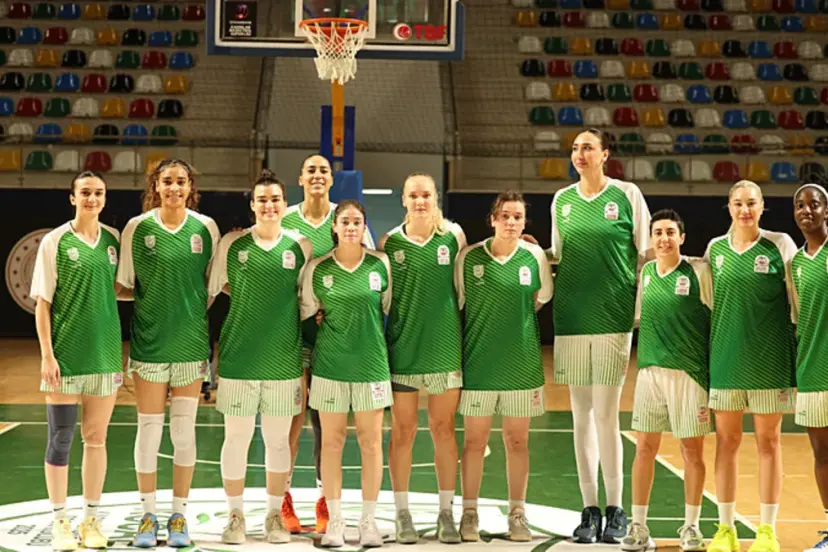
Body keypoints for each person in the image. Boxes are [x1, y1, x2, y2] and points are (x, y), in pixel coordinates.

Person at [549, 128, 652, 544]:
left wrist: (639, 309)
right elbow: (558, 255)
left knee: (608, 415)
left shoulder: (626, 195)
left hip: (613, 317)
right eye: (575, 148)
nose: (580, 154)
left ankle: (617, 509)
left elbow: (644, 255)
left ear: (605, 154)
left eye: (588, 147)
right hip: (572, 318)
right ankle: (589, 509)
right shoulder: (563, 201)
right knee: (580, 416)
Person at [115, 159, 220, 548]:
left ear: (190, 186)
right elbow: (124, 285)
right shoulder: (136, 229)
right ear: (155, 186)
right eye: (167, 181)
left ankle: (179, 516)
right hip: (149, 347)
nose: (174, 187)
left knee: (183, 432)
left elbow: (209, 288)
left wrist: (186, 311)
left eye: (181, 181)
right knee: (149, 430)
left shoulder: (205, 228)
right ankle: (148, 516)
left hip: (191, 347)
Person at [209, 170, 313, 544]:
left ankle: (273, 516)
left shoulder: (300, 247)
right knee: (235, 440)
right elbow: (220, 287)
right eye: (262, 200)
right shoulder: (232, 246)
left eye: (275, 199)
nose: (269, 205)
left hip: (284, 360)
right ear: (252, 205)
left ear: (285, 205)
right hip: (239, 358)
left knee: (278, 441)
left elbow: (304, 299)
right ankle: (235, 516)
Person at [281, 154, 375, 534]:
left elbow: (366, 266)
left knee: (324, 421)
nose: (318, 176)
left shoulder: (347, 218)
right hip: (291, 329)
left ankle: (324, 500)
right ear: (300, 178)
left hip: (333, 335)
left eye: (324, 170)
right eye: (311, 170)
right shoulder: (285, 218)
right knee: (292, 415)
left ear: (332, 179)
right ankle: (283, 497)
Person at [31, 171, 123, 551]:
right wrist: (47, 355)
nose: (92, 198)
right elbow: (43, 304)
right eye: (85, 192)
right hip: (65, 358)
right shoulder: (54, 241)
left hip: (104, 356)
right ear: (72, 198)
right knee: (61, 439)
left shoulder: (114, 242)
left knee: (96, 439)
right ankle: (59, 522)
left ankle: (90, 519)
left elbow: (118, 289)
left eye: (98, 193)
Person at [455, 191, 553, 543]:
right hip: (479, 365)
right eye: (505, 216)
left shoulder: (534, 257)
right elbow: (459, 303)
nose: (511, 222)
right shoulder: (468, 259)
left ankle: (518, 513)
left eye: (518, 217)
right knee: (474, 442)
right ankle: (468, 512)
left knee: (517, 441)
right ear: (493, 219)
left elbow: (539, 300)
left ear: (525, 222)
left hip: (521, 366)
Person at [704, 180, 797, 552]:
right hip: (726, 358)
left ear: (762, 207)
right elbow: (710, 303)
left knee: (769, 443)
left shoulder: (780, 245)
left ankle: (766, 530)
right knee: (726, 442)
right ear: (729, 207)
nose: (745, 210)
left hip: (769, 361)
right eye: (738, 203)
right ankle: (725, 529)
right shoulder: (715, 250)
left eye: (752, 203)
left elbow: (797, 302)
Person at [378, 173, 466, 544]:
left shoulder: (453, 237)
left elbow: (463, 292)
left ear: (435, 198)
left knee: (444, 431)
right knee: (403, 432)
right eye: (413, 195)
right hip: (404, 351)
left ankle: (446, 512)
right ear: (403, 200)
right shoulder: (390, 243)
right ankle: (402, 513)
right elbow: (383, 300)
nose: (419, 201)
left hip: (444, 350)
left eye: (425, 194)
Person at [299, 200, 392, 548]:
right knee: (332, 443)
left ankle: (368, 521)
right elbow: (308, 311)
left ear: (364, 227)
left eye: (357, 222)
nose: (351, 227)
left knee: (370, 444)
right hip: (330, 368)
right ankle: (335, 521)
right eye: (345, 222)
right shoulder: (317, 269)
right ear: (334, 228)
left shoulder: (380, 265)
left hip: (372, 367)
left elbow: (387, 307)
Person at [622, 209, 711, 552]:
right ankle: (639, 526)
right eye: (658, 232)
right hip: (649, 372)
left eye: (670, 232)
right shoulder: (646, 273)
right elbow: (640, 317)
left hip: (689, 373)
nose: (664, 238)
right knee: (644, 449)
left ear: (682, 237)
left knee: (691, 451)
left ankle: (691, 527)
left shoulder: (699, 272)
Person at [789, 183, 828, 552]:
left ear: (826, 211)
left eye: (814, 204)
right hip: (813, 371)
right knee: (822, 454)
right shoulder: (796, 265)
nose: (807, 211)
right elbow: (799, 320)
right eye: (800, 205)